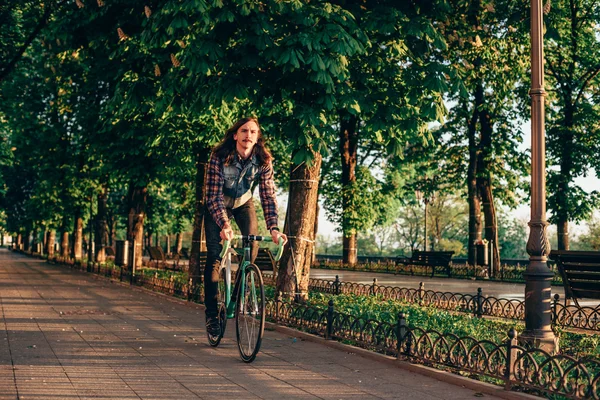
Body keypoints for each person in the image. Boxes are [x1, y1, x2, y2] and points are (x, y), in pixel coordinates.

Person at [204, 117, 287, 337]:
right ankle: (212, 315)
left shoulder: (263, 160)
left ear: (257, 136)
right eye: (243, 131)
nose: (248, 135)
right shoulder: (219, 157)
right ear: (235, 135)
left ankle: (239, 294)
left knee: (252, 245)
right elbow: (212, 196)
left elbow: (268, 195)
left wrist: (274, 228)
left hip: (243, 202)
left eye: (253, 131)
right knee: (214, 256)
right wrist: (224, 224)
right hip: (218, 203)